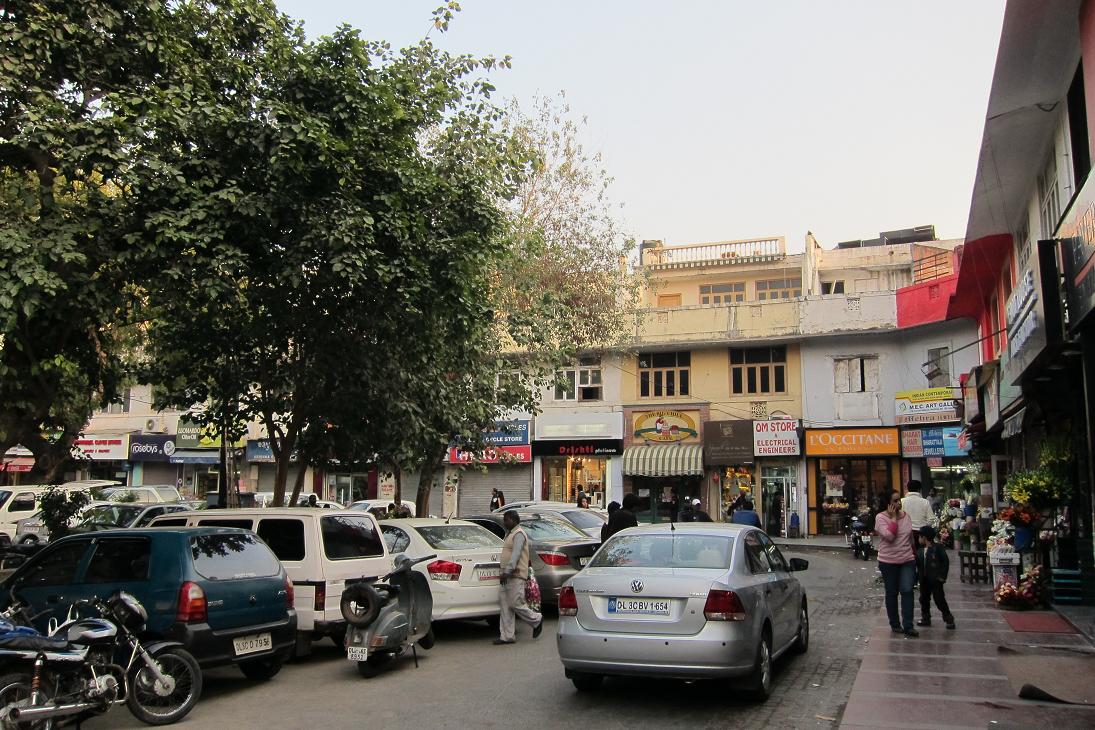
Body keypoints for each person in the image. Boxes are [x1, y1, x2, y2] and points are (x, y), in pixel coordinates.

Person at [494, 511, 543, 645]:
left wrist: (508, 571)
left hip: (515, 575)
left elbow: (516, 555)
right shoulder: (510, 534)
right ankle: (507, 636)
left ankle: (536, 619)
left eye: (506, 520)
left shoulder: (519, 534)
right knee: (505, 605)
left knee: (516, 603)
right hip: (506, 575)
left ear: (513, 520)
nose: (504, 522)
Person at [877, 491, 917, 637]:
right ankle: (895, 624)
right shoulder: (880, 518)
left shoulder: (906, 516)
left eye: (899, 500)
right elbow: (889, 536)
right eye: (894, 501)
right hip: (888, 561)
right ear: (888, 503)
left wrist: (914, 555)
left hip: (907, 560)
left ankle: (908, 625)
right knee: (892, 592)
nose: (898, 503)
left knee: (907, 591)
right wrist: (893, 518)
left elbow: (910, 538)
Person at [915, 526, 955, 630]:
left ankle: (948, 618)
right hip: (924, 580)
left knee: (939, 599)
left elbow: (945, 562)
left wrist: (942, 576)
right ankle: (925, 618)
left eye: (920, 537)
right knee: (924, 599)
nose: (918, 539)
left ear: (924, 537)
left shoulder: (937, 548)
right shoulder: (920, 550)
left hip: (936, 580)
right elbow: (918, 564)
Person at [901, 479, 932, 553]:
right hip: (922, 535)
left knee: (908, 555)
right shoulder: (925, 502)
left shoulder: (902, 501)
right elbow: (931, 520)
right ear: (919, 490)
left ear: (908, 489)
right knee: (921, 555)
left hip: (906, 534)